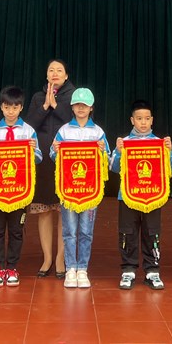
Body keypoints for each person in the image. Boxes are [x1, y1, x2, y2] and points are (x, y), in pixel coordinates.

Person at [0, 86, 42, 287]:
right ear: (1, 107)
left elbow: (39, 158)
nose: (11, 111)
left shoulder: (28, 131)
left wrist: (33, 150)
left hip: (19, 191)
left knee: (16, 231)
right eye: (7, 107)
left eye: (15, 107)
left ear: (21, 108)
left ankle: (12, 267)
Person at [110, 100, 172, 290]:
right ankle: (128, 270)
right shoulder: (125, 142)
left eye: (147, 118)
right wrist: (118, 152)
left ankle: (152, 270)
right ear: (132, 120)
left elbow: (171, 168)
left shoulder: (159, 143)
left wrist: (169, 151)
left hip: (153, 195)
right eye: (139, 118)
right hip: (128, 196)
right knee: (127, 232)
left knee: (152, 232)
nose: (143, 122)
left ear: (152, 120)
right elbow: (113, 167)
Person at [50, 87, 110, 288]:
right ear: (72, 107)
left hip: (90, 190)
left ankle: (83, 268)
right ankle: (71, 268)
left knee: (86, 231)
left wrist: (103, 151)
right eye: (77, 105)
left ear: (91, 108)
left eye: (85, 105)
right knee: (69, 231)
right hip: (68, 189)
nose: (81, 108)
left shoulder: (98, 132)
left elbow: (108, 159)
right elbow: (53, 155)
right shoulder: (64, 131)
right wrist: (55, 150)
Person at [25, 59, 75, 278]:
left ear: (66, 76)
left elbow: (77, 121)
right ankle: (47, 258)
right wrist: (45, 106)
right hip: (43, 159)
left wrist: (56, 105)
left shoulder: (74, 96)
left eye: (59, 70)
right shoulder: (38, 97)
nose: (55, 73)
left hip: (67, 158)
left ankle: (61, 259)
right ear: (46, 75)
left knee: (64, 210)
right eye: (51, 70)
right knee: (44, 210)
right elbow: (28, 126)